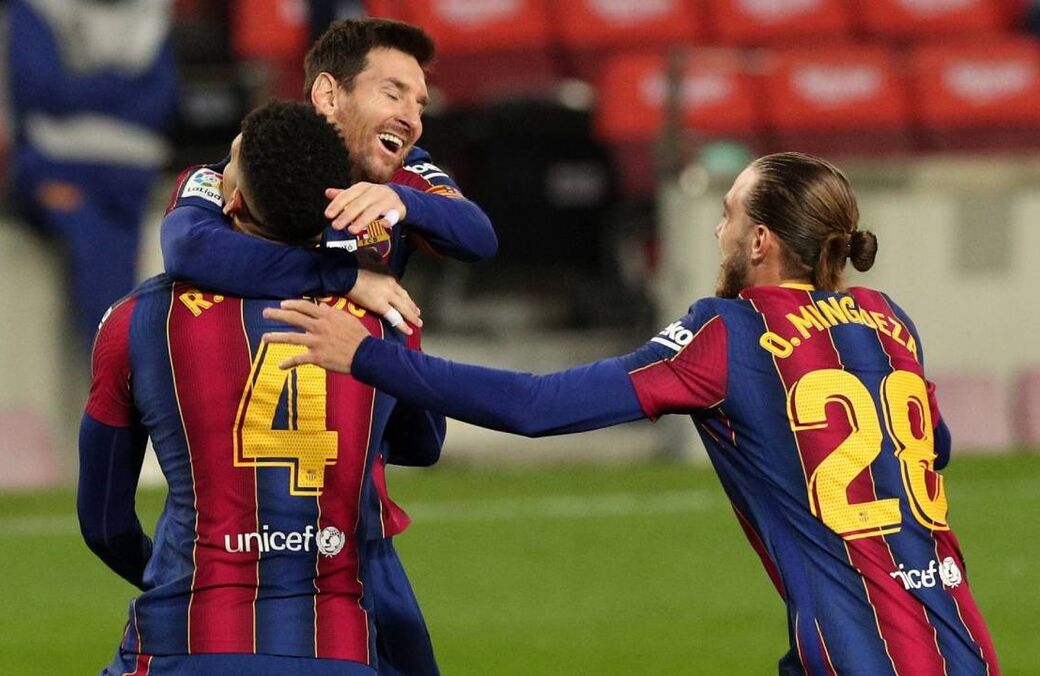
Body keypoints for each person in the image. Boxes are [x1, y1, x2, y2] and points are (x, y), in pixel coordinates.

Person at [264, 152, 1001, 675]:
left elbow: (536, 405)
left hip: (857, 653)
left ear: (760, 241)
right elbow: (931, 447)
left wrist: (369, 357)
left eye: (727, 215)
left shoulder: (726, 332)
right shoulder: (887, 318)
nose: (717, 232)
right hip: (962, 640)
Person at [78, 101, 445, 675]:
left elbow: (105, 525)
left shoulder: (139, 319)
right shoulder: (383, 313)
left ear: (233, 202)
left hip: (184, 644)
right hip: (336, 648)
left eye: (229, 165)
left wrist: (187, 577)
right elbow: (423, 444)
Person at [160, 17, 497, 330]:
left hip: (363, 370)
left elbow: (479, 237)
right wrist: (344, 277)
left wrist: (405, 201)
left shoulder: (403, 176)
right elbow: (186, 248)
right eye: (393, 95)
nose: (413, 121)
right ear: (328, 96)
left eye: (420, 106)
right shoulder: (254, 162)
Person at [0, 0, 178, 353]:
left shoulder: (150, 12)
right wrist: (122, 83)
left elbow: (160, 103)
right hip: (56, 164)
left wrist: (81, 87)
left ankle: (120, 373)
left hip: (129, 173)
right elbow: (38, 90)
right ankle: (117, 373)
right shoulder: (36, 9)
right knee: (97, 258)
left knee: (121, 278)